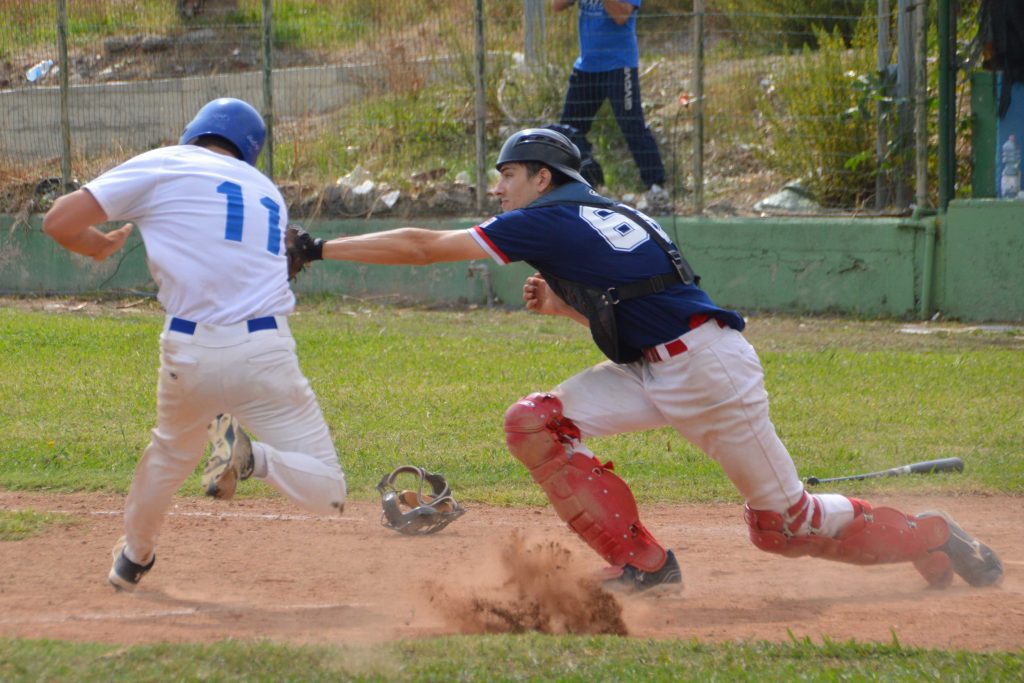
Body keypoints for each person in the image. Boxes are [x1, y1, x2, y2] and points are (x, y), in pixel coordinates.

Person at [287, 127, 1003, 593]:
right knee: (534, 421)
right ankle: (645, 564)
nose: (498, 189)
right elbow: (645, 298)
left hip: (705, 371)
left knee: (784, 527)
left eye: (507, 175)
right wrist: (570, 309)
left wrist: (319, 249)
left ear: (541, 177)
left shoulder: (548, 217)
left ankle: (930, 533)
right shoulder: (610, 212)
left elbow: (422, 248)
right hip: (659, 367)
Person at [42, 97, 347, 592]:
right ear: (248, 152)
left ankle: (133, 559)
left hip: (189, 351)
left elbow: (58, 221)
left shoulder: (167, 161)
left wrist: (96, 245)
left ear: (194, 132)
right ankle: (252, 459)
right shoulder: (268, 191)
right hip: (266, 351)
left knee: (168, 455)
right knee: (331, 491)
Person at [553, 0, 668, 206]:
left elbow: (621, 15)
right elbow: (557, 5)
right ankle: (581, 183)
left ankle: (656, 187)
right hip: (587, 67)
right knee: (567, 131)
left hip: (619, 65)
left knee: (631, 124)